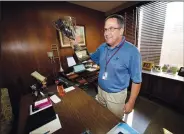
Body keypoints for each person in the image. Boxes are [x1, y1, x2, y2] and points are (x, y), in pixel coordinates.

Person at [74, 14, 142, 119]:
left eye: (111, 29)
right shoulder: (102, 47)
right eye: (105, 29)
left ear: (121, 30)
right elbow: (90, 58)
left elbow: (137, 80)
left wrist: (131, 102)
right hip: (100, 91)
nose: (106, 33)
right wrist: (76, 46)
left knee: (114, 122)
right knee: (100, 116)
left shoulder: (133, 51)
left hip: (116, 96)